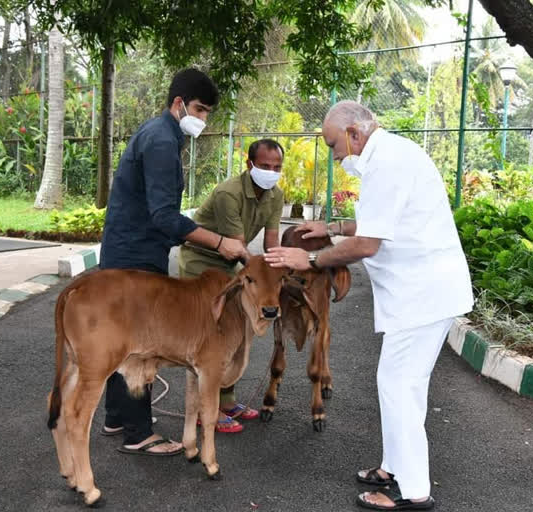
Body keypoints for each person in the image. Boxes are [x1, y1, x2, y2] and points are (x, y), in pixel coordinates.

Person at [264, 100, 473, 511]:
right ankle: (393, 467)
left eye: (333, 145)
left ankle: (414, 492)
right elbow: (379, 222)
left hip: (423, 296)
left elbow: (368, 244)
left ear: (355, 134)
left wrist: (306, 260)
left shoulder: (386, 164)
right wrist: (332, 227)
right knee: (395, 384)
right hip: (418, 295)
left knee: (401, 388)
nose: (334, 155)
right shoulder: (391, 155)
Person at [99, 68, 248, 456]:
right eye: (199, 109)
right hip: (135, 256)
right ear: (178, 103)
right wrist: (221, 244)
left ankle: (117, 416)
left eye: (208, 113)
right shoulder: (162, 141)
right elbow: (164, 216)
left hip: (127, 250)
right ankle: (138, 433)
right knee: (141, 342)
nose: (203, 119)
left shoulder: (162, 134)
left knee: (122, 337)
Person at [178, 138, 285, 433]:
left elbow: (271, 245)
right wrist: (262, 283)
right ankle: (203, 407)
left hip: (236, 265)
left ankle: (226, 399)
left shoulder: (276, 196)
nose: (271, 171)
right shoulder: (229, 193)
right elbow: (238, 248)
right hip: (203, 261)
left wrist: (278, 277)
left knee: (237, 332)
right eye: (265, 166)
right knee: (211, 336)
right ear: (250, 165)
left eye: (277, 167)